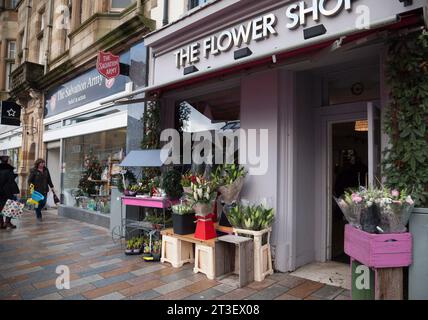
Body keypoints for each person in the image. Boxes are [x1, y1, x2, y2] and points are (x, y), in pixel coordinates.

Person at [0, 155, 20, 229]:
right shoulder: (9, 169)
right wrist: (15, 191)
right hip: (7, 191)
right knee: (12, 205)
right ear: (7, 160)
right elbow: (10, 181)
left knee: (0, 206)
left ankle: (1, 223)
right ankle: (7, 222)